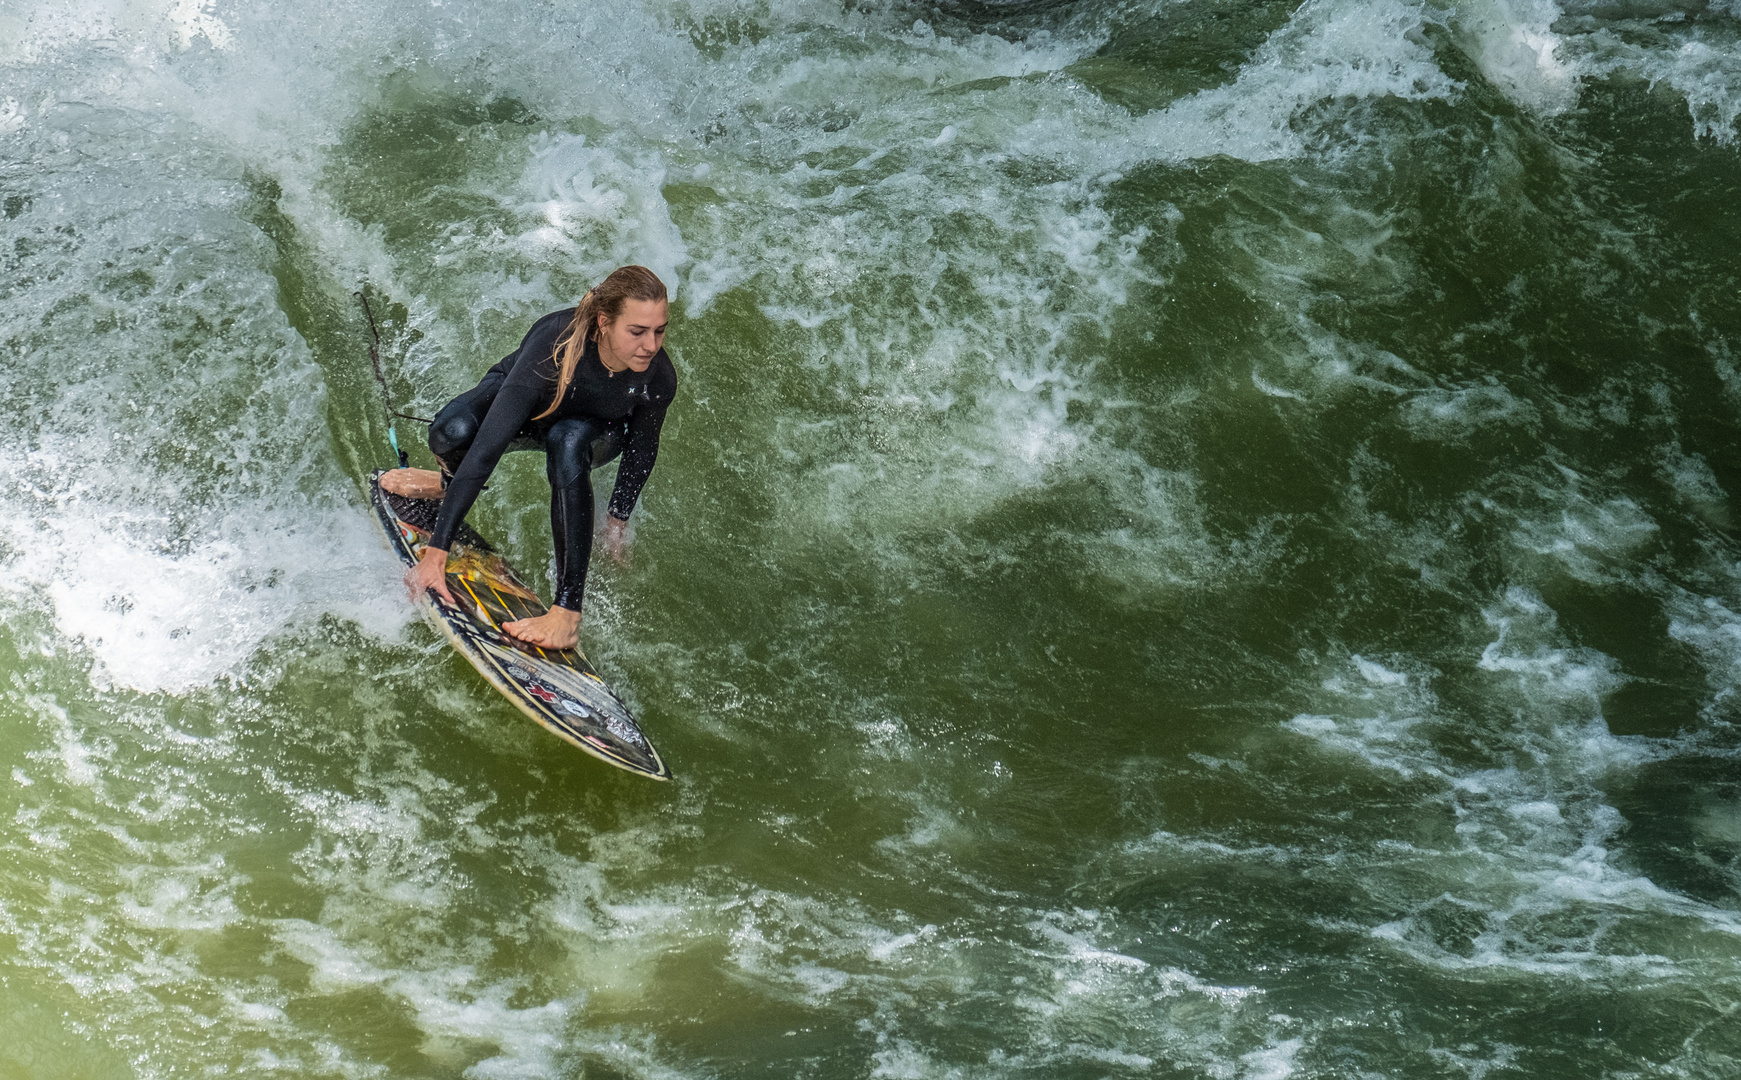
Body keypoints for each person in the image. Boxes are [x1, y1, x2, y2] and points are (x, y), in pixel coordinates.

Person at [382, 265, 676, 650]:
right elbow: (487, 447)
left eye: (659, 330)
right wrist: (436, 553)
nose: (651, 345)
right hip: (533, 410)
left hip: (592, 434)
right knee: (451, 433)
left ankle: (567, 615)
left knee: (568, 442)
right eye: (637, 331)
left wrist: (617, 518)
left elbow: (640, 449)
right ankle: (445, 485)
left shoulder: (657, 377)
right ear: (604, 322)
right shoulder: (552, 347)